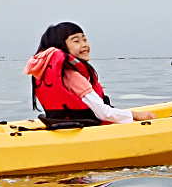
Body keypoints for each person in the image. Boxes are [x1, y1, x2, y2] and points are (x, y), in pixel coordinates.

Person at [24, 22, 156, 127]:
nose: (84, 45)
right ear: (60, 47)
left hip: (61, 126)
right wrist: (136, 115)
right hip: (82, 127)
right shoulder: (73, 77)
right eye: (76, 41)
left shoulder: (45, 73)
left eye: (84, 39)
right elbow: (103, 113)